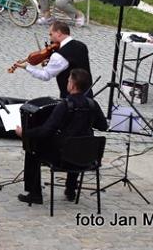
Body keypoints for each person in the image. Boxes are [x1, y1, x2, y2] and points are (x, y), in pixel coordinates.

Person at [16, 69, 108, 205]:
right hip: (88, 157)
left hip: (63, 158)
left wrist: (24, 133)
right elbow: (103, 126)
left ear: (73, 85)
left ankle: (34, 194)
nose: (67, 83)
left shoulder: (64, 106)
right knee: (78, 144)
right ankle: (70, 190)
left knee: (33, 149)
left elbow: (46, 131)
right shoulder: (93, 104)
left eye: (69, 80)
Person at [15, 21, 91, 99]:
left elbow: (45, 75)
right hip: (88, 96)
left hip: (70, 100)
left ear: (59, 33)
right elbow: (73, 63)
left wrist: (26, 67)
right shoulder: (82, 46)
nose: (50, 38)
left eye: (51, 34)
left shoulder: (59, 55)